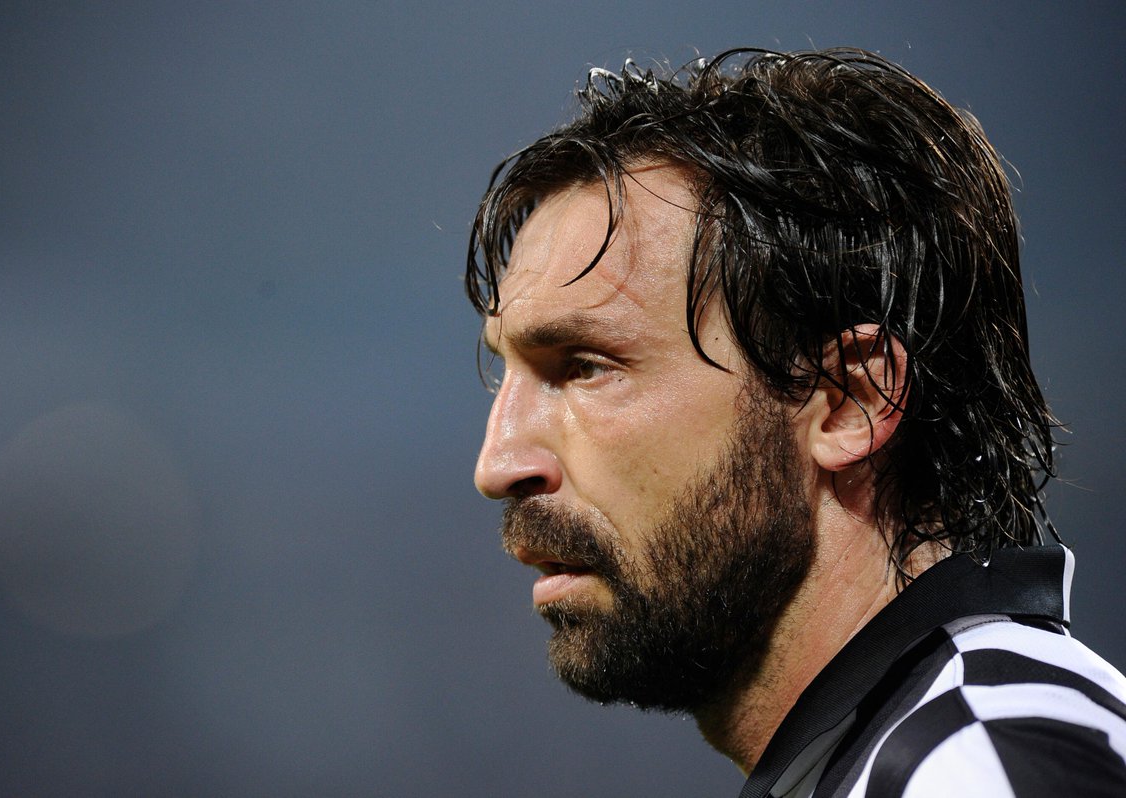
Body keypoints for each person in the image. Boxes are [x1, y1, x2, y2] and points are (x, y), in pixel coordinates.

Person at [463, 48, 1126, 797]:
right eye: (504, 371)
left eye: (585, 366)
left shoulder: (977, 764)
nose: (498, 463)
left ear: (850, 402)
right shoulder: (916, 746)